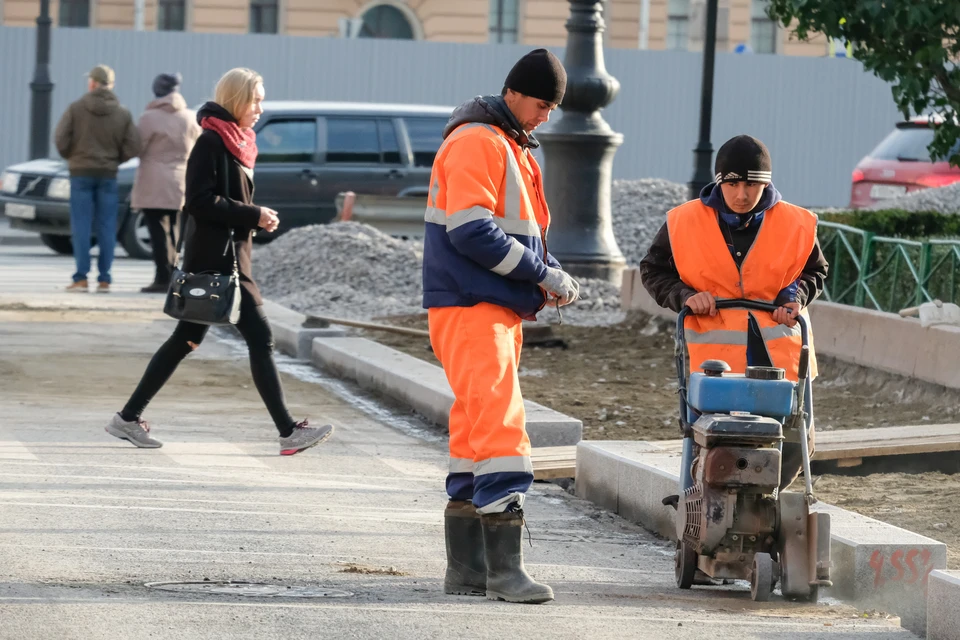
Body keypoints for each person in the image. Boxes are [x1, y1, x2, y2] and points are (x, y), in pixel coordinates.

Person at [106, 68, 334, 456]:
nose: (261, 107)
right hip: (216, 263)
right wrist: (252, 214)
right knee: (259, 339)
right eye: (256, 99)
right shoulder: (212, 141)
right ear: (236, 100)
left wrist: (255, 217)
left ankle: (128, 418)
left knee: (186, 340)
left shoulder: (238, 140)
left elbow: (226, 202)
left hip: (227, 257)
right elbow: (196, 201)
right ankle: (287, 431)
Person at [423, 49, 580, 605]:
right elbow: (472, 230)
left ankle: (467, 570)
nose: (545, 116)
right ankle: (504, 572)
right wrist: (545, 274)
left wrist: (540, 278)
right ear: (514, 93)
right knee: (501, 430)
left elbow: (494, 230)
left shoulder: (500, 142)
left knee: (472, 431)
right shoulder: (480, 142)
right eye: (542, 104)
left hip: (484, 305)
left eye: (553, 108)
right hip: (473, 306)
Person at [639, 135, 829, 490]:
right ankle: (709, 507)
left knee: (792, 441)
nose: (742, 194)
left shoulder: (796, 223)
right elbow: (652, 269)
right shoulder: (683, 222)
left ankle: (765, 499)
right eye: (733, 184)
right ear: (719, 181)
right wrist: (684, 295)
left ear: (766, 183)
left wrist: (795, 296)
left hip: (777, 356)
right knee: (712, 439)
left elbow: (814, 270)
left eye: (752, 184)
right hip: (714, 363)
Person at [55, 64, 141, 293]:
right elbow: (134, 145)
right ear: (110, 85)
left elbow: (61, 139)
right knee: (106, 228)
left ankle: (81, 278)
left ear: (92, 83)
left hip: (80, 174)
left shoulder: (76, 108)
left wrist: (72, 157)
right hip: (108, 175)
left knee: (81, 227)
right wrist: (115, 160)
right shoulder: (122, 112)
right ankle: (105, 278)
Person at [131, 72, 202, 293]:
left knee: (157, 230)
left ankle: (162, 278)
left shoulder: (149, 117)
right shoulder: (190, 117)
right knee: (174, 230)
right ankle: (173, 275)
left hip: (154, 179)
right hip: (181, 179)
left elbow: (136, 147)